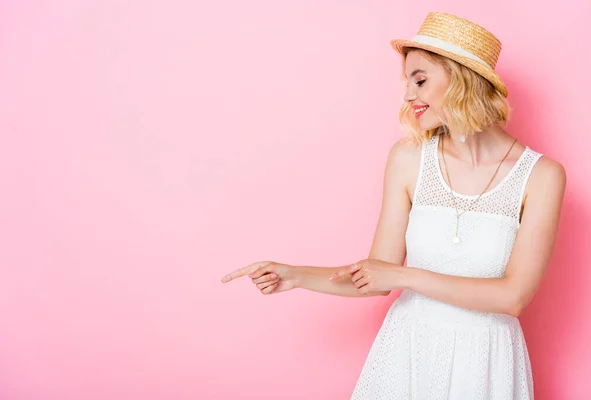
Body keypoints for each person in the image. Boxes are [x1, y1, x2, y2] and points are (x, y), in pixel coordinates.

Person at [221, 11, 566, 399]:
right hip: (408, 351)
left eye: (420, 80)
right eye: (407, 82)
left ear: (461, 80)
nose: (408, 95)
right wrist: (295, 276)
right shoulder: (408, 158)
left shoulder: (542, 176)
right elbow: (376, 274)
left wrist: (405, 277)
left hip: (485, 359)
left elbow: (512, 296)